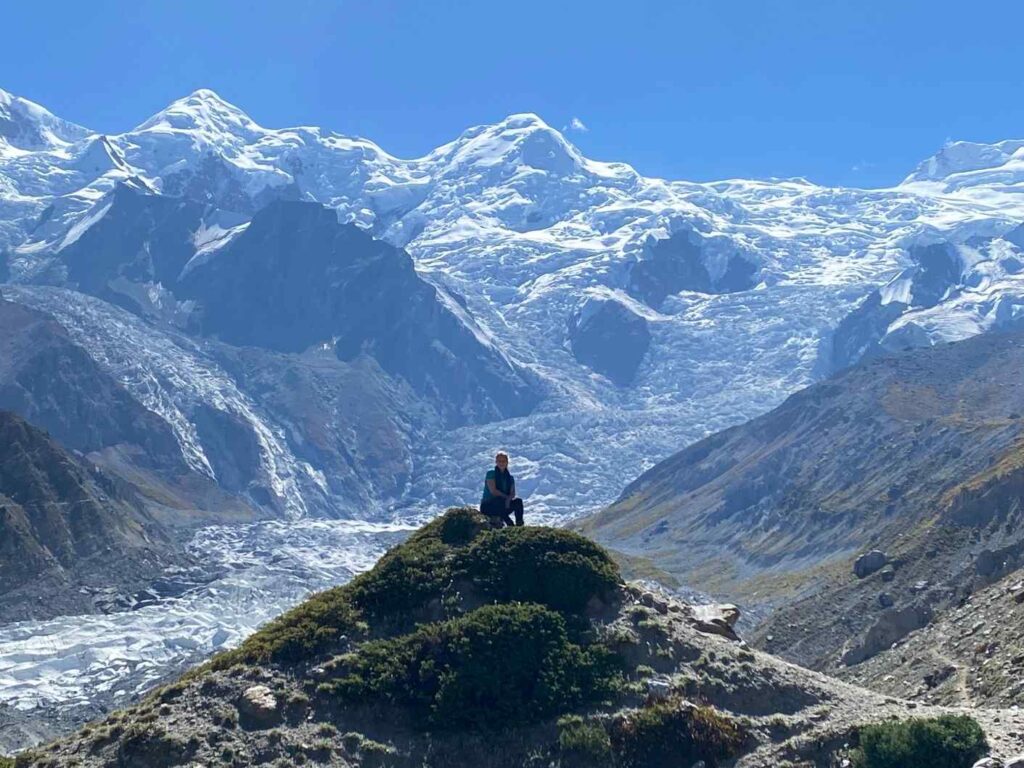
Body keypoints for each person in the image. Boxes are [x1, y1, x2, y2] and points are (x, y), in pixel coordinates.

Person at [480, 451, 524, 527]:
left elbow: (512, 493)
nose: (501, 463)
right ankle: (509, 523)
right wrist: (507, 498)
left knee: (518, 502)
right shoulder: (491, 473)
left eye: (503, 461)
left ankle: (519, 525)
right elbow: (493, 491)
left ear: (507, 462)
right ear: (496, 462)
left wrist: (509, 499)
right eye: (499, 461)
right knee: (499, 500)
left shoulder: (510, 478)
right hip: (489, 505)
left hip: (503, 505)